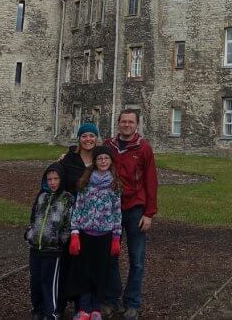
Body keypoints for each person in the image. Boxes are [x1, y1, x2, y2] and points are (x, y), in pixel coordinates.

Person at [104, 109, 158, 319]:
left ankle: (133, 303)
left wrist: (149, 213)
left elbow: (151, 181)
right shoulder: (109, 146)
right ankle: (111, 299)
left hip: (136, 208)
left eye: (130, 122)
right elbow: (92, 164)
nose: (126, 125)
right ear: (118, 123)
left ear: (137, 125)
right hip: (112, 209)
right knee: (110, 257)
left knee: (136, 260)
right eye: (123, 121)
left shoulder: (144, 148)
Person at [68, 146, 123, 320]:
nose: (103, 162)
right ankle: (84, 308)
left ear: (111, 161)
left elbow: (117, 212)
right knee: (85, 272)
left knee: (100, 273)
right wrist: (75, 232)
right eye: (100, 159)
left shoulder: (114, 185)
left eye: (106, 159)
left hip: (104, 234)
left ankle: (96, 309)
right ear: (95, 162)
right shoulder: (85, 183)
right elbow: (78, 208)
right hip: (86, 232)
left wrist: (116, 236)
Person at [59, 123, 100, 315]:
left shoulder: (101, 159)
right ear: (79, 139)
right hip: (70, 218)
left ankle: (83, 306)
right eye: (84, 136)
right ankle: (59, 304)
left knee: (86, 263)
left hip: (92, 220)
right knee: (68, 261)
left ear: (97, 138)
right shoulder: (69, 159)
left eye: (92, 135)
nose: (88, 139)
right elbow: (57, 178)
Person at [26, 163, 75, 320]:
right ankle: (37, 309)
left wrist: (60, 240)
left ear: (61, 179)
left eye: (56, 179)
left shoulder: (67, 198)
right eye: (49, 179)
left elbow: (68, 224)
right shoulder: (42, 197)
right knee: (36, 280)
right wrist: (30, 233)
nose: (52, 182)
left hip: (53, 249)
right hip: (35, 247)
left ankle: (51, 312)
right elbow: (34, 218)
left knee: (49, 283)